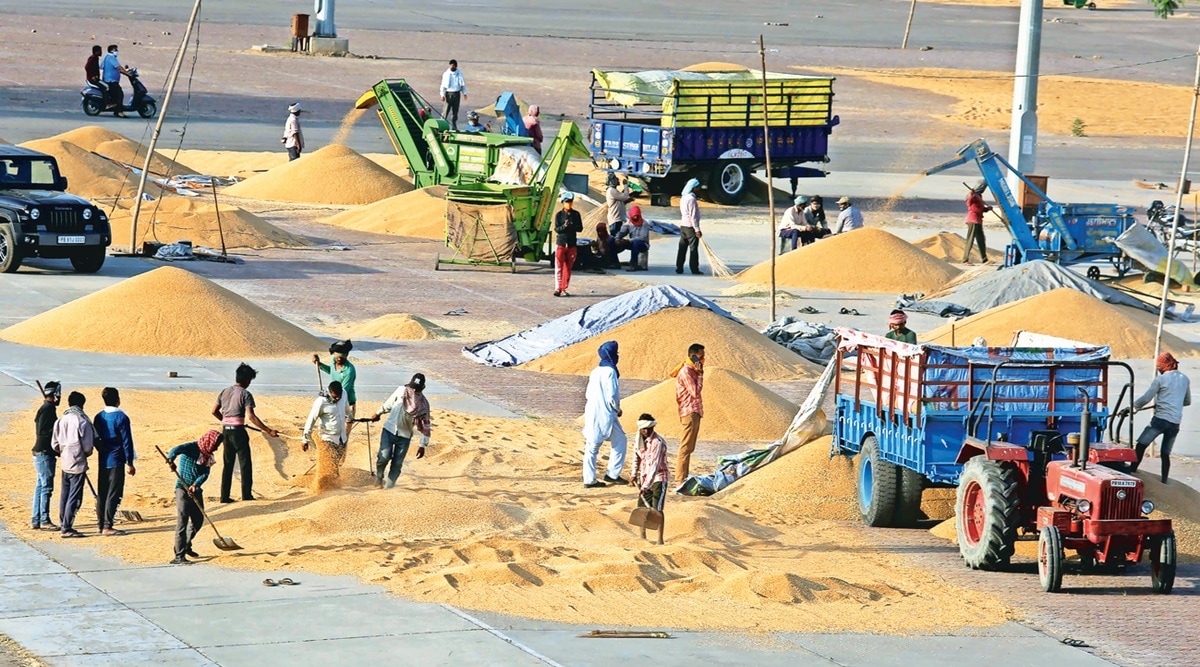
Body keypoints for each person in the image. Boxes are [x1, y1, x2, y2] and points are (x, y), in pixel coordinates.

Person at [212, 363, 278, 504]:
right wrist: (268, 430)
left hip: (226, 432)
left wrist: (225, 420)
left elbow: (214, 411)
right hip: (238, 432)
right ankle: (246, 495)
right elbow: (252, 417)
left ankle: (224, 496)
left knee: (228, 465)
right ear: (247, 380)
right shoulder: (246, 394)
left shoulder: (224, 391)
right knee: (245, 464)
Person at [1130, 352, 1191, 483]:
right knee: (1165, 453)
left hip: (1160, 421)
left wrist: (1133, 407)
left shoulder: (1161, 379)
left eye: (1159, 366)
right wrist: (1174, 401)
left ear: (1164, 366)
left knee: (1141, 445)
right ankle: (1164, 480)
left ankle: (1132, 471)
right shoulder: (1185, 379)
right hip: (1175, 423)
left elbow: (1146, 398)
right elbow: (1187, 401)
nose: (1158, 369)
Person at [166, 429, 222, 565]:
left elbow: (205, 474)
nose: (216, 447)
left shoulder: (208, 456)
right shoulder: (191, 447)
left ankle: (186, 546)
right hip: (182, 488)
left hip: (195, 490)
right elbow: (175, 450)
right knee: (182, 520)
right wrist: (171, 460)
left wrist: (196, 484)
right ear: (209, 441)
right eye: (216, 444)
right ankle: (179, 556)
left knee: (198, 519)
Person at [371, 374, 432, 489]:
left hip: (405, 435)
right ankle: (379, 477)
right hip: (389, 429)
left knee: (397, 464)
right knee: (384, 457)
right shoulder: (401, 391)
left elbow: (426, 425)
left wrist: (422, 445)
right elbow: (389, 404)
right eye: (413, 386)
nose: (414, 390)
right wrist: (378, 413)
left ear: (422, 388)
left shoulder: (424, 404)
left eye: (417, 388)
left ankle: (389, 487)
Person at [582, 341, 627, 488]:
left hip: (594, 411)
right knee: (593, 446)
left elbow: (588, 393)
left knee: (620, 440)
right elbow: (612, 394)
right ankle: (589, 480)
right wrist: (617, 409)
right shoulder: (610, 372)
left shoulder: (595, 371)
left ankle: (612, 474)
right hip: (605, 413)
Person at [92, 387, 136, 537]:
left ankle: (100, 524)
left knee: (102, 492)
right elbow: (127, 442)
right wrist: (130, 462)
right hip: (116, 459)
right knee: (114, 493)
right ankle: (107, 525)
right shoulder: (122, 418)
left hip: (103, 458)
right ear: (118, 399)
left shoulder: (99, 417)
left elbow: (95, 438)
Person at [52, 391, 95, 538]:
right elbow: (88, 447)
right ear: (82, 404)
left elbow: (54, 444)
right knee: (74, 497)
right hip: (77, 464)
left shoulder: (61, 420)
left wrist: (64, 452)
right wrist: (83, 454)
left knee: (65, 494)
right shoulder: (83, 421)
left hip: (65, 462)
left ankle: (63, 521)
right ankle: (67, 527)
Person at [630, 413, 669, 544]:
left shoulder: (658, 442)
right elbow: (636, 457)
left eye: (648, 428)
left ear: (653, 427)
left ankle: (660, 540)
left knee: (657, 510)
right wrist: (633, 474)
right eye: (643, 429)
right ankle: (642, 536)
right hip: (644, 477)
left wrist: (645, 486)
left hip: (658, 478)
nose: (645, 431)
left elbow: (654, 466)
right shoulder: (638, 440)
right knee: (642, 509)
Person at [671, 343, 705, 483]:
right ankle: (680, 479)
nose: (703, 359)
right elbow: (695, 393)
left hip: (694, 411)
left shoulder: (692, 370)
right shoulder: (687, 372)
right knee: (685, 447)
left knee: (690, 447)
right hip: (689, 411)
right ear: (693, 356)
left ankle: (683, 477)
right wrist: (701, 375)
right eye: (701, 357)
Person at [31, 381, 62, 531]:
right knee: (46, 488)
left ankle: (36, 519)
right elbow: (44, 432)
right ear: (55, 394)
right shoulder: (48, 409)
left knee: (40, 486)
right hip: (44, 453)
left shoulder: (47, 408)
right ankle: (44, 519)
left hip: (40, 453)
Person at [303, 381, 349, 469]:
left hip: (341, 437)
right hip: (327, 437)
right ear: (330, 393)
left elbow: (346, 407)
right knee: (330, 463)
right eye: (335, 397)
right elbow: (311, 419)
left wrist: (350, 417)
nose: (338, 398)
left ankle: (333, 479)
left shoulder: (344, 393)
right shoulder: (321, 402)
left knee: (336, 463)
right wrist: (305, 439)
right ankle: (326, 481)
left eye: (340, 396)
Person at [314, 340, 357, 424]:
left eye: (341, 356)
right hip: (334, 399)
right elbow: (332, 370)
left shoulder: (349, 371)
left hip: (347, 403)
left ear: (346, 355)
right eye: (337, 355)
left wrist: (328, 398)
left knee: (343, 434)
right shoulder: (333, 361)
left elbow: (343, 391)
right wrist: (319, 364)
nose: (339, 358)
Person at [553, 191, 583, 297]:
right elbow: (557, 229)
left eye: (570, 202)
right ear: (563, 202)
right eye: (567, 202)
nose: (569, 204)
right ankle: (558, 288)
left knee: (568, 268)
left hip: (571, 244)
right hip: (561, 243)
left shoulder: (576, 214)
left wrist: (572, 225)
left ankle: (564, 288)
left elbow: (580, 228)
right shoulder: (559, 215)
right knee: (559, 267)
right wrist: (564, 226)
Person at [612, 205, 651, 271]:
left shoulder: (645, 224)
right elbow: (621, 233)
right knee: (613, 241)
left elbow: (643, 237)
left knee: (635, 243)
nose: (635, 217)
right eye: (634, 216)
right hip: (632, 243)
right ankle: (614, 262)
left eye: (637, 216)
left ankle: (633, 264)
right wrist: (617, 239)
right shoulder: (628, 223)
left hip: (643, 244)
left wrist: (629, 241)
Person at [676, 178, 703, 275]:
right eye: (697, 187)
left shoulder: (683, 197)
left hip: (683, 225)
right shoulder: (691, 199)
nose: (699, 189)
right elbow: (693, 216)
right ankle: (694, 269)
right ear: (693, 188)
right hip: (690, 227)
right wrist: (697, 229)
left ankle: (679, 268)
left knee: (682, 248)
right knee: (693, 249)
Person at [963, 180, 992, 264]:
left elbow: (980, 208)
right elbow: (969, 203)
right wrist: (971, 194)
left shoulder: (979, 196)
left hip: (978, 221)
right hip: (973, 220)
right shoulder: (972, 196)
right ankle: (965, 259)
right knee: (970, 239)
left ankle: (984, 259)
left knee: (981, 240)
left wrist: (987, 209)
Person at [100, 44, 129, 116]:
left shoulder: (106, 57)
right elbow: (119, 67)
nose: (117, 51)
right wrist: (128, 74)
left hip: (107, 80)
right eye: (115, 50)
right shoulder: (111, 58)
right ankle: (119, 111)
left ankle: (116, 110)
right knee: (120, 94)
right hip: (111, 81)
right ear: (111, 51)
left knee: (116, 95)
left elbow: (101, 66)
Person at [440, 59, 467, 131]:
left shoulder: (459, 73)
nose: (452, 66)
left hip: (457, 94)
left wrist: (464, 93)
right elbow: (443, 85)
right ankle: (441, 124)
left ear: (456, 66)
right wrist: (442, 95)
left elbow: (463, 85)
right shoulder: (446, 74)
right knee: (446, 110)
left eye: (453, 65)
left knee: (455, 110)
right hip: (449, 93)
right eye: (451, 65)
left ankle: (454, 126)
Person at [605, 173, 634, 239]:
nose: (618, 180)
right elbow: (625, 196)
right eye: (616, 179)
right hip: (615, 219)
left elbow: (621, 201)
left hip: (617, 219)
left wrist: (627, 200)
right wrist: (625, 185)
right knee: (616, 239)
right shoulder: (612, 191)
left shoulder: (614, 191)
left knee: (617, 239)